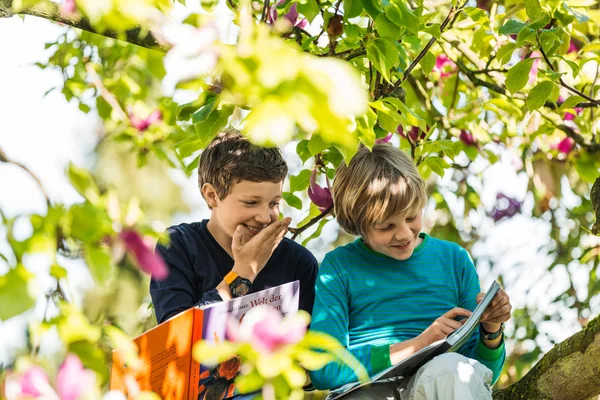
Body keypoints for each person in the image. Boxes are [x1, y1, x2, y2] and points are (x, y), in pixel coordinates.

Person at [309, 143, 512, 400]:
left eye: (411, 216)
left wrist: (491, 330)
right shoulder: (338, 267)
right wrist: (418, 344)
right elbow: (324, 368)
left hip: (437, 384)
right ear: (359, 224)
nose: (404, 233)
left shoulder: (453, 260)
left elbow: (478, 378)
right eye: (386, 226)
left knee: (453, 370)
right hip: (366, 392)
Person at [150, 129, 318, 324]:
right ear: (212, 196)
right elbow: (177, 343)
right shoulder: (179, 247)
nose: (264, 218)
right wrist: (244, 272)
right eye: (251, 202)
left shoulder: (298, 263)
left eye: (274, 203)